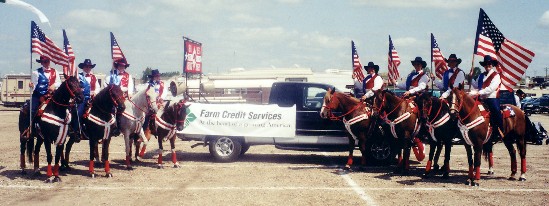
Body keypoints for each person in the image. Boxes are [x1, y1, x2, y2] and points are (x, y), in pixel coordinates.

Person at [470, 55, 503, 141]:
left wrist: (479, 92)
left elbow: (491, 89)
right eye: (485, 64)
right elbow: (476, 85)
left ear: (492, 64)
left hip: (491, 98)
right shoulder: (481, 75)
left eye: (489, 64)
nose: (487, 65)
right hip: (481, 98)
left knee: (495, 111)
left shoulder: (496, 75)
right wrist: (471, 78)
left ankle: (499, 130)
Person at [70, 59, 100, 140]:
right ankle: (75, 131)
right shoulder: (78, 76)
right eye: (86, 66)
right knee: (78, 112)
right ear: (83, 67)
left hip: (92, 98)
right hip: (82, 99)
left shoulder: (94, 77)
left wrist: (95, 93)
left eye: (89, 66)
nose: (87, 68)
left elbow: (97, 87)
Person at [107, 58, 134, 136]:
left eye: (123, 66)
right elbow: (109, 85)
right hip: (116, 97)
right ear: (117, 66)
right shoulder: (112, 75)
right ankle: (114, 127)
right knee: (112, 109)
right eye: (120, 66)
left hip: (125, 96)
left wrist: (130, 93)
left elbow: (130, 86)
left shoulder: (128, 76)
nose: (121, 67)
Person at [143, 69, 166, 133]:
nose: (158, 78)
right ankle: (144, 128)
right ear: (153, 77)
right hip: (150, 102)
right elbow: (145, 93)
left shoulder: (162, 84)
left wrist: (161, 98)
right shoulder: (148, 84)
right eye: (156, 76)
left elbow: (164, 92)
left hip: (159, 101)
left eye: (158, 76)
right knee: (146, 114)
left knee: (165, 111)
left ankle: (164, 128)